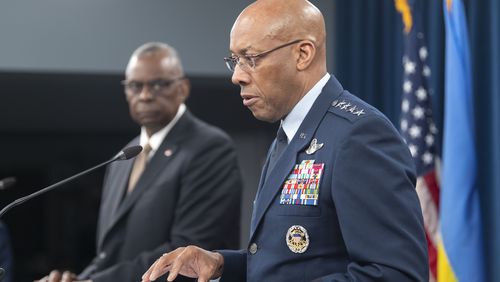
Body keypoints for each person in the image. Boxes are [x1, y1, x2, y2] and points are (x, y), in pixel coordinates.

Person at [141, 1, 429, 281]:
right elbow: (285, 263)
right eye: (235, 61)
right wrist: (220, 264)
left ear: (303, 54)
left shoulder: (358, 135)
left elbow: (396, 273)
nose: (237, 76)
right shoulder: (289, 134)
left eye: (250, 58)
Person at [37, 42, 243, 282]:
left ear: (183, 88)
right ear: (126, 91)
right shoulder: (123, 157)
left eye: (159, 84)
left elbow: (186, 251)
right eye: (135, 86)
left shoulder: (210, 148)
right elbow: (110, 253)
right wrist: (77, 279)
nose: (145, 95)